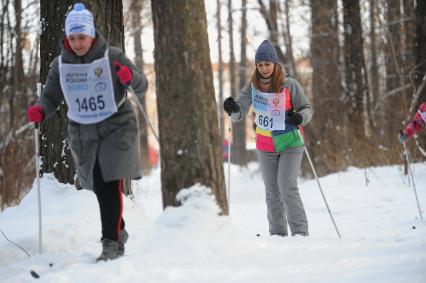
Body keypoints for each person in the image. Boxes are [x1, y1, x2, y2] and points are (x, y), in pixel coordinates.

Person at [26, 3, 148, 261]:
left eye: (82, 37)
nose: (78, 43)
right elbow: (50, 95)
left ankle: (112, 244)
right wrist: (40, 110)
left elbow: (141, 84)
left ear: (92, 35)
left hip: (117, 125)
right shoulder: (61, 65)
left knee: (108, 179)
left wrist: (128, 76)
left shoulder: (112, 56)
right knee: (96, 184)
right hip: (83, 131)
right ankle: (119, 228)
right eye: (72, 38)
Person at [223, 40, 313, 237]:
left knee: (286, 185)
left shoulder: (289, 84)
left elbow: (307, 108)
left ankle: (300, 234)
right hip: (265, 146)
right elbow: (240, 112)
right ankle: (278, 236)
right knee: (272, 192)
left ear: (275, 64)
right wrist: (233, 108)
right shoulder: (252, 87)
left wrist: (299, 117)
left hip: (290, 142)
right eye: (260, 65)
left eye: (267, 64)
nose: (264, 69)